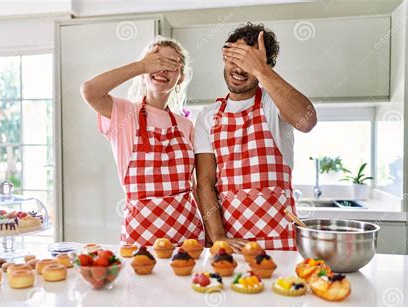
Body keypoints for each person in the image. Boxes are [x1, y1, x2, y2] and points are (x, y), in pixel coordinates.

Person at [194, 23, 317, 252]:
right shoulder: (207, 117)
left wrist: (261, 69)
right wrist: (219, 236)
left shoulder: (274, 105)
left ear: (266, 66)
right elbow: (205, 183)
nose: (240, 69)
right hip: (231, 243)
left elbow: (306, 121)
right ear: (224, 56)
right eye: (236, 59)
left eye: (250, 63)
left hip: (278, 243)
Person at [81, 37, 204, 246]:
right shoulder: (124, 113)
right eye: (157, 62)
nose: (163, 70)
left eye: (171, 65)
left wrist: (211, 236)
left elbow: (195, 187)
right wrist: (141, 66)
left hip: (189, 235)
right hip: (141, 237)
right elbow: (90, 91)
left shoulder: (186, 125)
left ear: (181, 77)